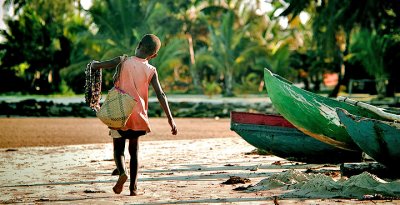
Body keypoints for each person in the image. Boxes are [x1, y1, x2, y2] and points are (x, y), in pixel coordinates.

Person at [91, 34, 178, 196]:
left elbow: (101, 65)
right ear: (154, 55)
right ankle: (134, 188)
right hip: (138, 116)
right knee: (134, 151)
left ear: (138, 45)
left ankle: (122, 172)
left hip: (119, 112)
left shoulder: (123, 61)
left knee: (118, 149)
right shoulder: (151, 70)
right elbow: (161, 95)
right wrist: (170, 119)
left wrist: (95, 65)